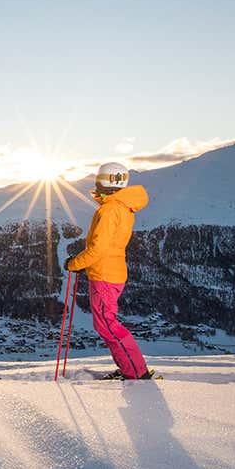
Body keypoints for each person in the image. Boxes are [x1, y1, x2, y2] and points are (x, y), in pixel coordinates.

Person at [65, 162, 154, 380]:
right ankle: (130, 369)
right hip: (109, 272)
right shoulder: (122, 207)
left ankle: (136, 373)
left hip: (105, 275)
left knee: (107, 324)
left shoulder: (109, 210)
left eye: (99, 179)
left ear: (105, 181)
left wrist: (75, 263)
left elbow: (98, 248)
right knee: (105, 323)